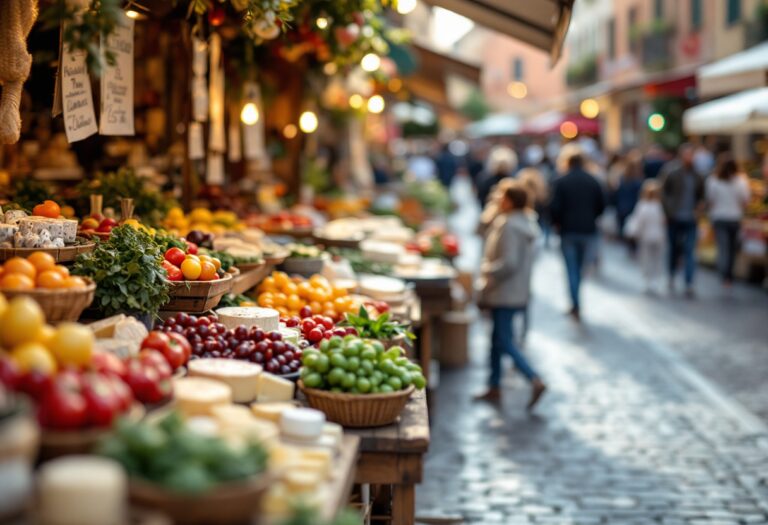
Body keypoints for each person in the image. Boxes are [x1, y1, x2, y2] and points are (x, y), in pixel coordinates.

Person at [475, 182, 546, 409]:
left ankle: (533, 378)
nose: (498, 201)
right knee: (497, 340)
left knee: (504, 340)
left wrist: (487, 270)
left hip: (504, 291)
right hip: (515, 290)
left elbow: (509, 263)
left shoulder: (510, 225)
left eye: (502, 198)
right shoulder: (524, 222)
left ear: (510, 201)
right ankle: (494, 385)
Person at [550, 150, 606, 321]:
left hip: (568, 231)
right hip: (587, 230)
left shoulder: (561, 181)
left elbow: (554, 207)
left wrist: (557, 223)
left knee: (571, 269)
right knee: (580, 269)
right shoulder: (593, 180)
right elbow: (602, 205)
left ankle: (575, 303)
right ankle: (576, 300)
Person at [660, 143, 705, 297]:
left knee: (689, 250)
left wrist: (699, 209)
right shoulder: (671, 172)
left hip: (691, 218)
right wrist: (667, 212)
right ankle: (671, 274)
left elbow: (701, 195)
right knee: (673, 248)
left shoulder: (697, 175)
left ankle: (689, 282)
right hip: (674, 216)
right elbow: (664, 192)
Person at [706, 153, 750, 289]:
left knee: (724, 248)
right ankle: (728, 275)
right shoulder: (741, 181)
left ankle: (724, 274)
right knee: (731, 249)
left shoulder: (713, 180)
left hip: (719, 217)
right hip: (734, 218)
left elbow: (710, 200)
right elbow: (745, 200)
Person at [625, 180, 666, 293]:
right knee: (656, 259)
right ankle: (655, 280)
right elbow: (662, 221)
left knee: (646, 259)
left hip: (646, 236)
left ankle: (648, 280)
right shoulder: (659, 206)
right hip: (658, 236)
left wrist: (635, 233)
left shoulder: (642, 205)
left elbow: (638, 221)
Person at [613, 151, 644, 251]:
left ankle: (629, 246)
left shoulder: (623, 178)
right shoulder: (637, 181)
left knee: (626, 229)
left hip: (622, 207)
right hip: (632, 207)